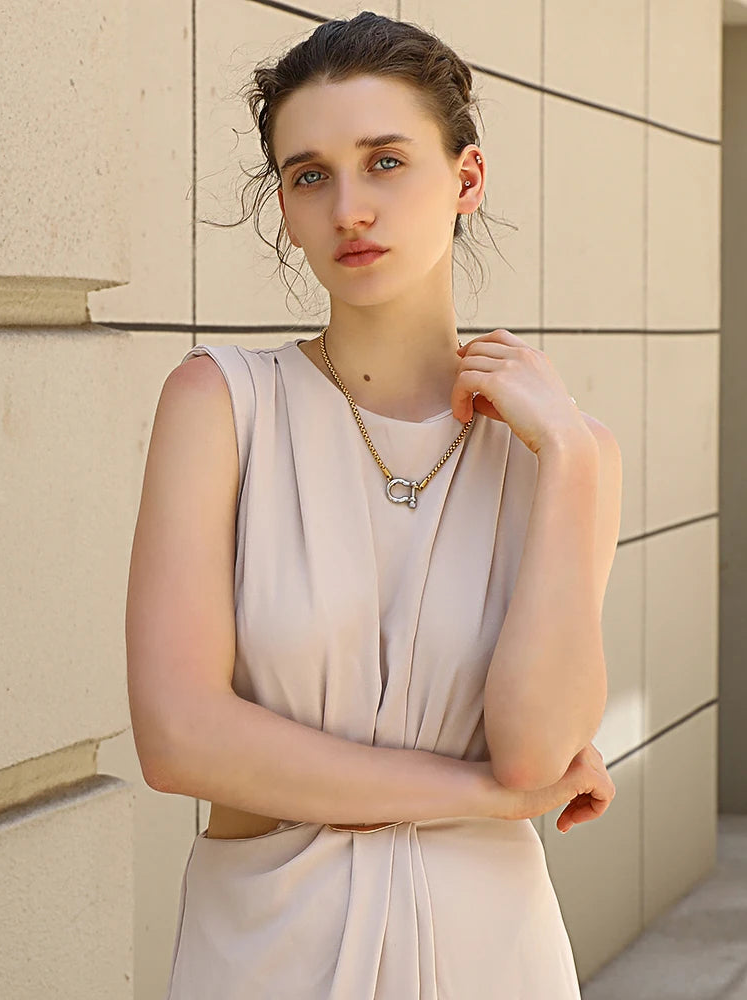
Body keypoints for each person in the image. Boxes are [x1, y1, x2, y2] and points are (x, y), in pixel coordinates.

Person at [125, 11, 621, 998]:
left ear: (466, 179)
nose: (349, 208)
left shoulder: (565, 455)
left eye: (385, 162)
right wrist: (480, 793)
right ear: (285, 204)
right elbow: (178, 739)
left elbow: (535, 750)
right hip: (265, 949)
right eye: (310, 175)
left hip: (493, 953)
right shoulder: (220, 405)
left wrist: (569, 457)